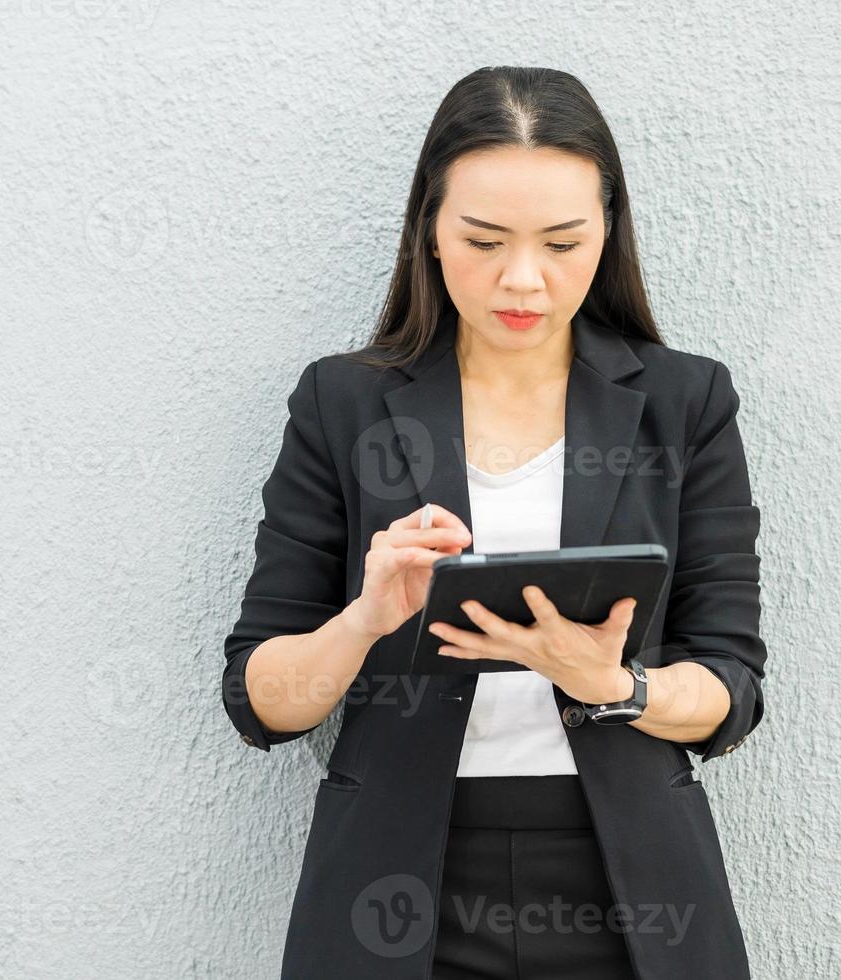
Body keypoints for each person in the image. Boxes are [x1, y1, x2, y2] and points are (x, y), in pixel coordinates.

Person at [222, 66, 767, 980]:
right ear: (429, 231)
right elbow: (260, 702)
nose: (523, 279)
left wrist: (614, 683)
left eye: (562, 242)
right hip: (395, 883)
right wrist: (364, 620)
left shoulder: (685, 401)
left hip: (632, 883)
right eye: (483, 240)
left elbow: (731, 688)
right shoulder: (342, 402)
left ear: (607, 235)